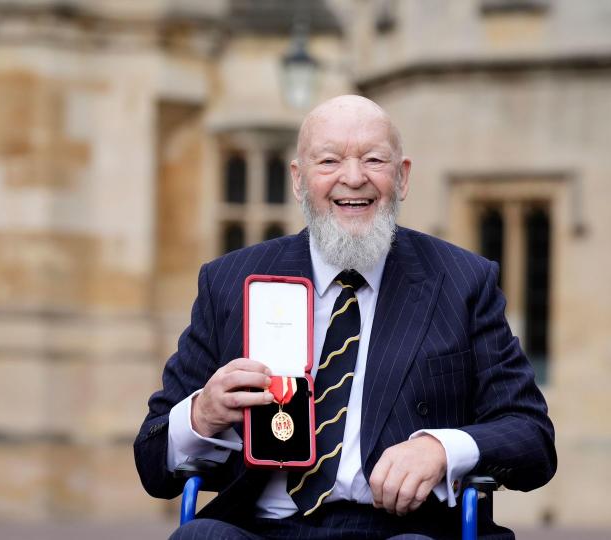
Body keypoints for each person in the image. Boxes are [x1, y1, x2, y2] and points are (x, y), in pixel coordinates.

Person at [134, 95, 556, 539]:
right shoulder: (229, 283)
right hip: (264, 528)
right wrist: (202, 414)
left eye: (374, 160)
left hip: (404, 529)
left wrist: (443, 449)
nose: (353, 179)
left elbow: (531, 436)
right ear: (298, 180)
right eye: (329, 160)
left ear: (402, 175)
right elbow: (152, 461)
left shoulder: (463, 282)